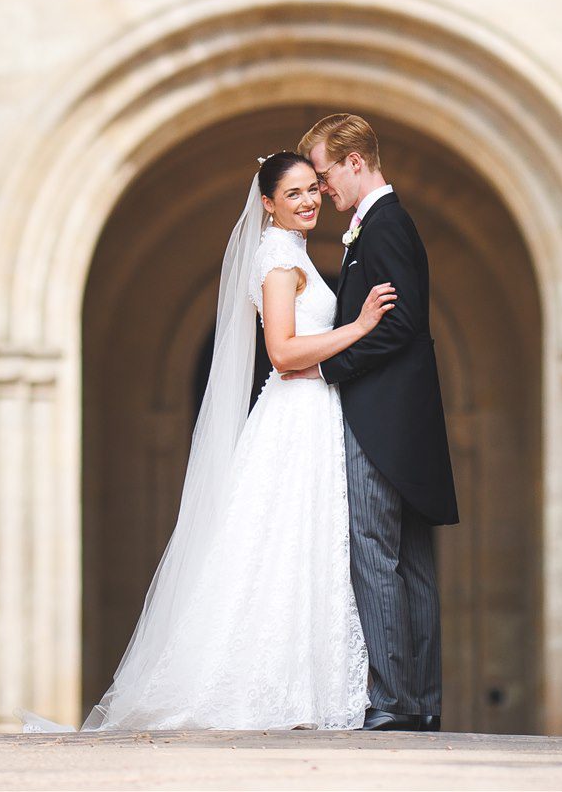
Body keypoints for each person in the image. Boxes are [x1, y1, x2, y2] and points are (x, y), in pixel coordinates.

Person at [69, 151, 396, 731]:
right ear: (267, 203)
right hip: (294, 412)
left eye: (312, 189)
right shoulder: (276, 257)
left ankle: (300, 690)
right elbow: (283, 352)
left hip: (311, 412)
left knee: (300, 543)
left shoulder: (290, 252)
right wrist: (359, 326)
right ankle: (268, 690)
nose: (308, 200)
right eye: (292, 193)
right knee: (279, 542)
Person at [297, 112, 457, 733]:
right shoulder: (386, 224)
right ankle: (420, 701)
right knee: (412, 563)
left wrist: (331, 368)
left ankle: (392, 701)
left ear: (354, 162)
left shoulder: (385, 224)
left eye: (323, 173)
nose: (320, 188)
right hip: (404, 418)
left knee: (373, 554)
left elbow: (402, 324)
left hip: (381, 419)